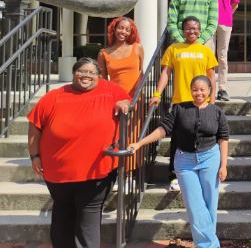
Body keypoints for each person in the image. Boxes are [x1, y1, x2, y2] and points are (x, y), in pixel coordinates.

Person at [27, 57, 130, 248]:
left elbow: (128, 104)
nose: (86, 75)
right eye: (81, 71)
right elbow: (35, 128)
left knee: (87, 219)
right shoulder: (53, 96)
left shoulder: (111, 90)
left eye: (91, 72)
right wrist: (35, 156)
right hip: (57, 173)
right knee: (62, 215)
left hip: (96, 172)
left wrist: (124, 103)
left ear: (99, 76)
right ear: (74, 73)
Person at [129, 75, 229, 248]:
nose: (199, 93)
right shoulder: (179, 109)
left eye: (202, 89)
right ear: (190, 90)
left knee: (210, 204)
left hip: (210, 158)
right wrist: (140, 143)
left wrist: (224, 165)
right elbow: (163, 129)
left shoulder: (217, 111)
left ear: (209, 91)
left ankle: (206, 243)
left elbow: (223, 138)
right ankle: (210, 245)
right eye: (195, 89)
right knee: (195, 205)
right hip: (185, 161)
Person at [151, 16, 218, 191]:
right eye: (188, 28)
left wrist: (213, 98)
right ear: (182, 30)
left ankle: (200, 172)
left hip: (202, 101)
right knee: (177, 139)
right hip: (181, 101)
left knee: (202, 137)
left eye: (195, 28)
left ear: (200, 30)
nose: (192, 31)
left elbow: (211, 76)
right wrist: (157, 93)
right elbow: (165, 73)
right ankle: (174, 175)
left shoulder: (206, 51)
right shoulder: (173, 49)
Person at [202, 0, 241, 101]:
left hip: (225, 22)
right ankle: (209, 86)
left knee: (223, 56)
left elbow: (235, 2)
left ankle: (222, 88)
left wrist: (226, 14)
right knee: (209, 55)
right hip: (208, 22)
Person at [97, 16, 144, 95]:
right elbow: (102, 80)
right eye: (120, 28)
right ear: (114, 29)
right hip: (115, 97)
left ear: (131, 33)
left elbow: (141, 71)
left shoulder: (137, 48)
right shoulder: (103, 53)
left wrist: (140, 91)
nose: (123, 31)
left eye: (127, 30)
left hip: (136, 97)